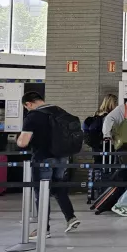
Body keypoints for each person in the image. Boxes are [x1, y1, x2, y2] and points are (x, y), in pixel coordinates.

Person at [16, 92, 81, 238]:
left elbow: (23, 142)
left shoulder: (33, 116)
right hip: (62, 157)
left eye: (26, 107)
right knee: (58, 187)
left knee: (41, 192)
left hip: (43, 158)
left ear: (28, 104)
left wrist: (18, 141)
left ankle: (43, 229)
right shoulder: (59, 111)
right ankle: (71, 217)